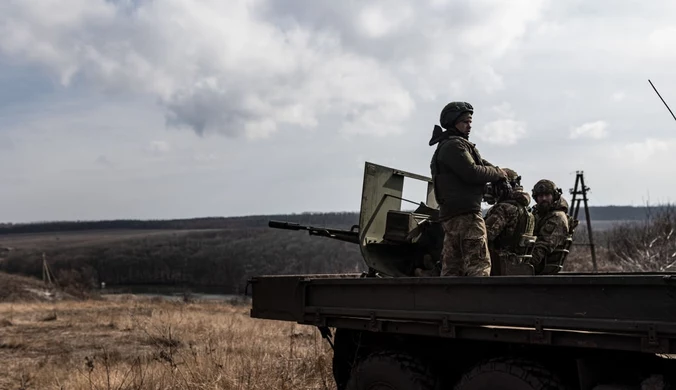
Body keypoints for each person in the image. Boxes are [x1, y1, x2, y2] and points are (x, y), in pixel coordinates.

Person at [429, 101, 508, 277]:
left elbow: (479, 165)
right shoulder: (454, 146)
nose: (469, 126)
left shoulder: (451, 145)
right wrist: (498, 173)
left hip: (453, 216)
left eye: (470, 122)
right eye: (465, 121)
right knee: (478, 265)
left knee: (452, 269)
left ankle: (451, 303)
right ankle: (477, 303)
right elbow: (472, 171)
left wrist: (501, 173)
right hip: (467, 216)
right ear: (452, 122)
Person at [483, 169, 535, 276]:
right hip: (516, 265)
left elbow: (484, 236)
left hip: (498, 266)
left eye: (495, 186)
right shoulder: (527, 210)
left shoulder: (504, 208)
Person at [530, 179, 575, 274]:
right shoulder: (539, 215)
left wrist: (525, 265)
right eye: (540, 196)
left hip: (540, 266)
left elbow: (543, 246)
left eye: (547, 195)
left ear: (554, 196)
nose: (544, 198)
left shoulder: (558, 217)